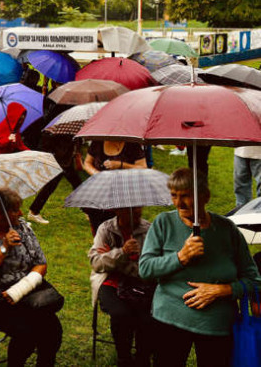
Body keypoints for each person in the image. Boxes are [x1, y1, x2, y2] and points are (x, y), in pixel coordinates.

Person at [139, 168, 261, 367]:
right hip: (171, 317)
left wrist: (223, 290)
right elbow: (145, 269)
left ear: (205, 196)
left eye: (186, 196)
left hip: (216, 324)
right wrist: (180, 257)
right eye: (174, 196)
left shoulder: (227, 230)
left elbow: (254, 280)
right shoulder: (164, 223)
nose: (179, 203)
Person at [0, 188, 62, 367]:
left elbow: (41, 263)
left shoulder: (22, 227)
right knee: (26, 333)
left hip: (26, 293)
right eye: (15, 210)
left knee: (53, 330)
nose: (20, 213)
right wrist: (4, 248)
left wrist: (22, 288)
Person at [88, 207, 155, 367]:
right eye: (131, 211)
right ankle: (123, 358)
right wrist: (121, 253)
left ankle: (142, 358)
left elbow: (150, 267)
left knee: (148, 316)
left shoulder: (149, 230)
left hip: (142, 283)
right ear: (118, 210)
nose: (137, 215)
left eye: (139, 211)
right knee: (121, 314)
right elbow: (96, 263)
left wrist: (112, 258)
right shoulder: (106, 229)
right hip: (111, 281)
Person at [82, 140, 147, 234]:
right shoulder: (97, 142)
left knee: (121, 230)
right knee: (99, 230)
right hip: (99, 194)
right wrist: (97, 174)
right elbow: (87, 163)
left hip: (124, 196)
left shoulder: (132, 145)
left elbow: (143, 168)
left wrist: (121, 165)